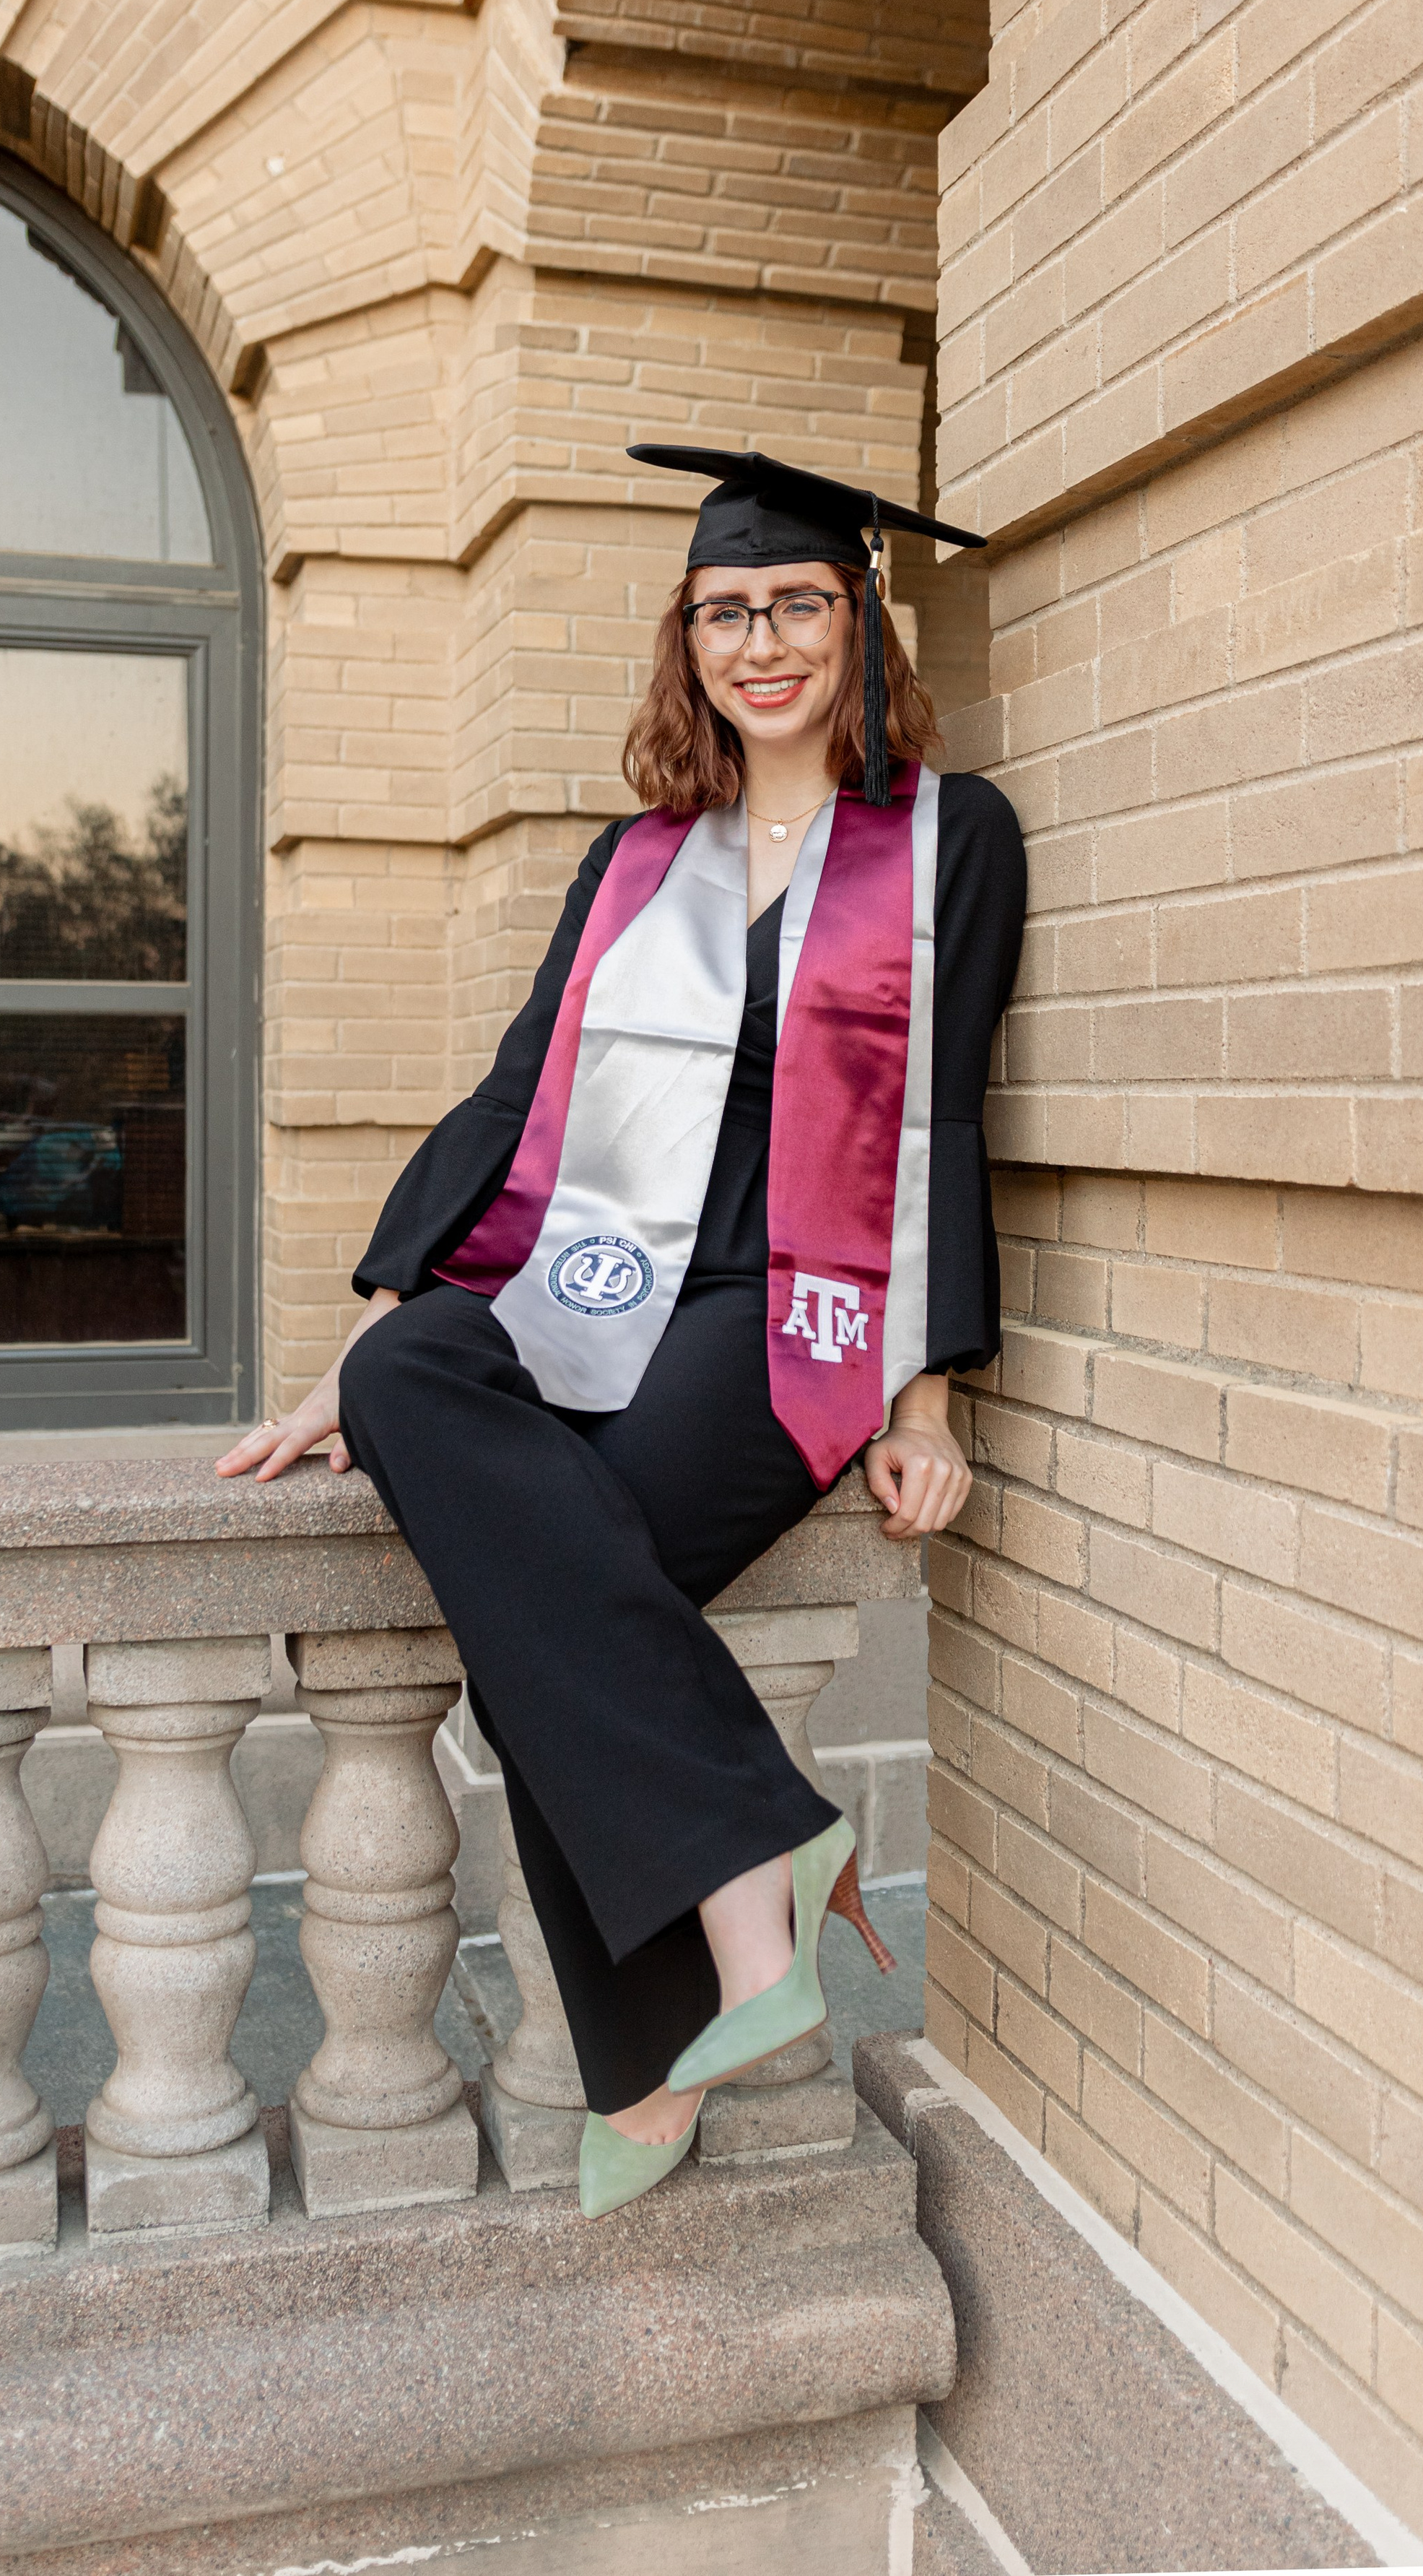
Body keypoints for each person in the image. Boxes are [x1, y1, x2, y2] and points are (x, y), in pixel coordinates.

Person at [219, 446, 1027, 2216]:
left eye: (796, 605)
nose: (762, 643)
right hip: (600, 1273)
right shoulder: (635, 859)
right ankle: (764, 1858)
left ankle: (646, 2036)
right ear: (690, 639)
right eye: (727, 612)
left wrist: (929, 1387)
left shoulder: (947, 838)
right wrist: (351, 1351)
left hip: (779, 1310)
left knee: (549, 1606)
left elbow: (937, 1120)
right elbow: (526, 1092)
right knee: (411, 1368)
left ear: (857, 621)